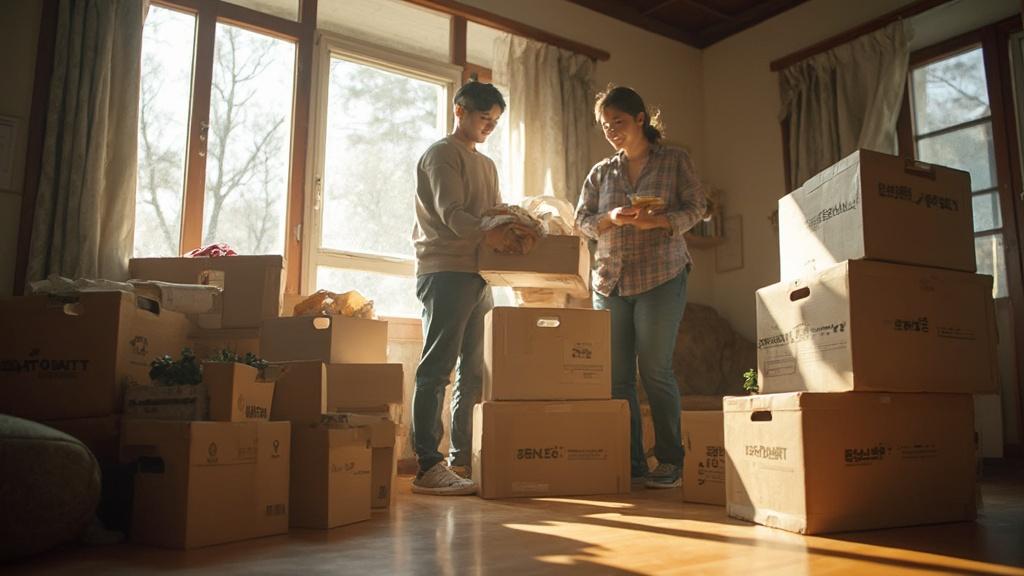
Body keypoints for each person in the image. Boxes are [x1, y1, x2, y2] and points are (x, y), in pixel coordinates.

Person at [575, 86, 706, 489]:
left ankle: (670, 460)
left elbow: (698, 207)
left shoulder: (675, 160)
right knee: (616, 379)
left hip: (661, 275)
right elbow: (581, 220)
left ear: (640, 119)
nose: (612, 130)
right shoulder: (601, 172)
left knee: (655, 369)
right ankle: (631, 462)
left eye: (618, 122)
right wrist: (611, 217)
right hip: (610, 281)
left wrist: (660, 222)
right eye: (604, 125)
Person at [410, 81, 506, 496]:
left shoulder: (485, 164)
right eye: (484, 118)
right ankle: (427, 464)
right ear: (459, 110)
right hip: (445, 269)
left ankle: (460, 459)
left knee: (474, 371)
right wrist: (491, 233)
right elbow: (452, 213)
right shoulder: (441, 154)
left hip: (480, 273)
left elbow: (495, 213)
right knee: (436, 369)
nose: (489, 126)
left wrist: (514, 226)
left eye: (496, 121)